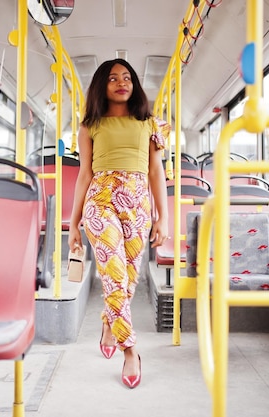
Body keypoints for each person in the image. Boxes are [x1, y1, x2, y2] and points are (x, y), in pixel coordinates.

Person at [68, 58, 169, 389]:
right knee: (113, 274)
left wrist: (163, 216)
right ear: (102, 85)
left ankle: (109, 323)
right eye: (113, 78)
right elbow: (84, 173)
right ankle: (130, 349)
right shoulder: (89, 126)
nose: (121, 83)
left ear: (135, 84)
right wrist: (73, 221)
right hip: (100, 200)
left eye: (127, 77)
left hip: (138, 201)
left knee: (129, 278)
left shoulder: (149, 124)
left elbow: (156, 172)